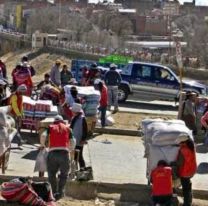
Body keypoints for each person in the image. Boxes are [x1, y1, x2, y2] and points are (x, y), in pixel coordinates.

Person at [40, 115, 75, 200]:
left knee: (51, 174)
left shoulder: (50, 127)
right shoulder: (68, 129)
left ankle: (53, 192)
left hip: (52, 153)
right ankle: (60, 192)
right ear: (63, 122)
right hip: (64, 154)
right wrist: (70, 149)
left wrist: (43, 145)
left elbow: (43, 136)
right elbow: (73, 141)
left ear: (54, 121)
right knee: (64, 175)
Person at [177, 139, 197, 206]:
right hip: (191, 171)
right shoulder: (192, 147)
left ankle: (187, 203)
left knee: (185, 189)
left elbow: (180, 163)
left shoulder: (182, 150)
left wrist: (173, 164)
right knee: (188, 187)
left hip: (184, 172)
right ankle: (189, 201)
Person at [70, 103, 88, 170]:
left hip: (79, 141)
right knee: (74, 157)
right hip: (73, 141)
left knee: (79, 156)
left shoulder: (82, 119)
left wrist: (83, 140)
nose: (72, 112)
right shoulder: (74, 118)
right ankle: (75, 170)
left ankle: (83, 170)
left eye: (72, 111)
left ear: (76, 112)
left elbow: (85, 130)